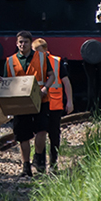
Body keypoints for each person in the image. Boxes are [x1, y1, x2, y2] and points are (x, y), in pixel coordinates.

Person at [0, 30, 52, 176]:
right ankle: (26, 166)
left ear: (30, 43)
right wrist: (0, 81)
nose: (22, 44)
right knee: (23, 136)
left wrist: (45, 88)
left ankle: (38, 157)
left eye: (25, 42)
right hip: (20, 103)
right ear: (16, 43)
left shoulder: (42, 57)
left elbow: (51, 76)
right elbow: (7, 81)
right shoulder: (10, 61)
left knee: (42, 130)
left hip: (40, 99)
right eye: (20, 42)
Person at [32, 38, 74, 173]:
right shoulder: (33, 62)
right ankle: (41, 163)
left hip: (55, 105)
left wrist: (70, 101)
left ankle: (53, 163)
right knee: (41, 132)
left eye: (38, 51)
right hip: (40, 104)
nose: (36, 54)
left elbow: (66, 82)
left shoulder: (56, 61)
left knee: (54, 135)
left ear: (45, 50)